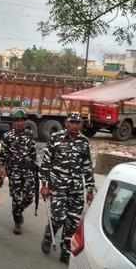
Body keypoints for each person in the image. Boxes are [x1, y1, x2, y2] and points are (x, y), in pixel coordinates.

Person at [39, 112, 95, 264]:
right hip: (57, 186)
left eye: (78, 123)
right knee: (58, 218)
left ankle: (66, 250)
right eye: (72, 122)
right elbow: (46, 163)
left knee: (72, 222)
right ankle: (48, 236)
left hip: (76, 188)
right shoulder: (55, 138)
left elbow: (87, 166)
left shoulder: (84, 141)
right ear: (66, 123)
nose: (75, 125)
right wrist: (43, 185)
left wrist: (90, 188)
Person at [0, 109, 37, 235]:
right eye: (16, 121)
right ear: (13, 122)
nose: (19, 123)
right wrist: (2, 170)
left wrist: (35, 169)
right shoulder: (7, 136)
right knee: (16, 198)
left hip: (28, 171)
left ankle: (18, 211)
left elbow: (33, 153)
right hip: (14, 171)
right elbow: (3, 156)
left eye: (21, 120)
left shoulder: (30, 135)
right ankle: (18, 222)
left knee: (29, 197)